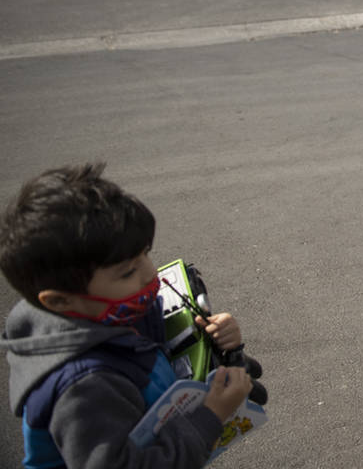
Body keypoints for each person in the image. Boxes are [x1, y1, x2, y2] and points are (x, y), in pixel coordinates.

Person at [0, 163, 252, 468]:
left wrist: (224, 347)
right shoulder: (84, 386)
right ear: (61, 300)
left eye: (144, 254)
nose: (149, 273)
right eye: (128, 271)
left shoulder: (110, 313)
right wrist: (209, 417)